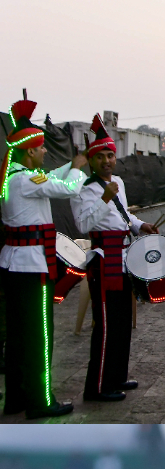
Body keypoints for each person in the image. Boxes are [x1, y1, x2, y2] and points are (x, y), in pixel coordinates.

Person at [1, 95, 86, 419]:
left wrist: (68, 168)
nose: (45, 151)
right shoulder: (27, 180)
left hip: (14, 264)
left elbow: (51, 178)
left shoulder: (14, 178)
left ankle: (17, 398)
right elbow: (68, 188)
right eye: (40, 148)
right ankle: (40, 401)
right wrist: (78, 168)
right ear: (29, 150)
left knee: (19, 338)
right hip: (32, 266)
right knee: (40, 338)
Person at [74, 116, 156, 403]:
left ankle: (117, 375)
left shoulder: (118, 181)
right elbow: (84, 223)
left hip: (123, 259)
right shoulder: (85, 188)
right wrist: (104, 198)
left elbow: (124, 215)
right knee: (106, 324)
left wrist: (140, 225)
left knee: (122, 322)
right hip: (102, 260)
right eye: (101, 157)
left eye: (110, 155)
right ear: (92, 160)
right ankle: (97, 387)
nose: (107, 161)